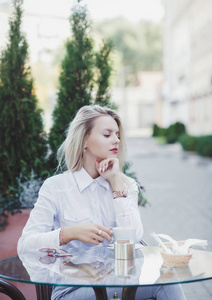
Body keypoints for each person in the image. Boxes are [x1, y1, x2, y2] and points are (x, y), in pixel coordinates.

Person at [17, 105, 186, 300]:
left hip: (122, 285)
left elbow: (134, 237)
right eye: (107, 135)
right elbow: (25, 246)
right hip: (72, 289)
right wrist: (69, 234)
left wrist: (116, 182)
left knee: (168, 280)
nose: (116, 140)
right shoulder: (56, 187)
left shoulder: (125, 184)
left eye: (117, 134)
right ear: (84, 141)